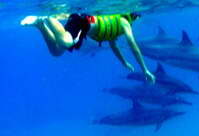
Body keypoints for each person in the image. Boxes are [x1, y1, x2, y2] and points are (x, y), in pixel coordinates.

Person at [20, 13, 156, 83]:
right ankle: (47, 17)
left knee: (56, 51)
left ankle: (40, 24)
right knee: (66, 43)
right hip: (82, 22)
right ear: (134, 18)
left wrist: (124, 62)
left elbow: (113, 45)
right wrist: (145, 70)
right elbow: (134, 46)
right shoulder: (124, 22)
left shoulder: (116, 29)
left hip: (82, 28)